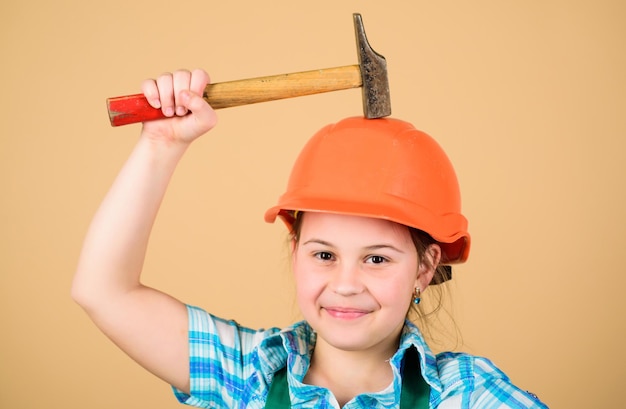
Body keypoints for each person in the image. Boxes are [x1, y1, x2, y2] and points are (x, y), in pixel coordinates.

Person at [72, 68, 548, 408]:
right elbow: (103, 291)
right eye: (324, 254)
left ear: (424, 268)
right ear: (295, 251)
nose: (345, 283)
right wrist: (160, 146)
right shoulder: (247, 377)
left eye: (377, 260)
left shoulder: (466, 396)